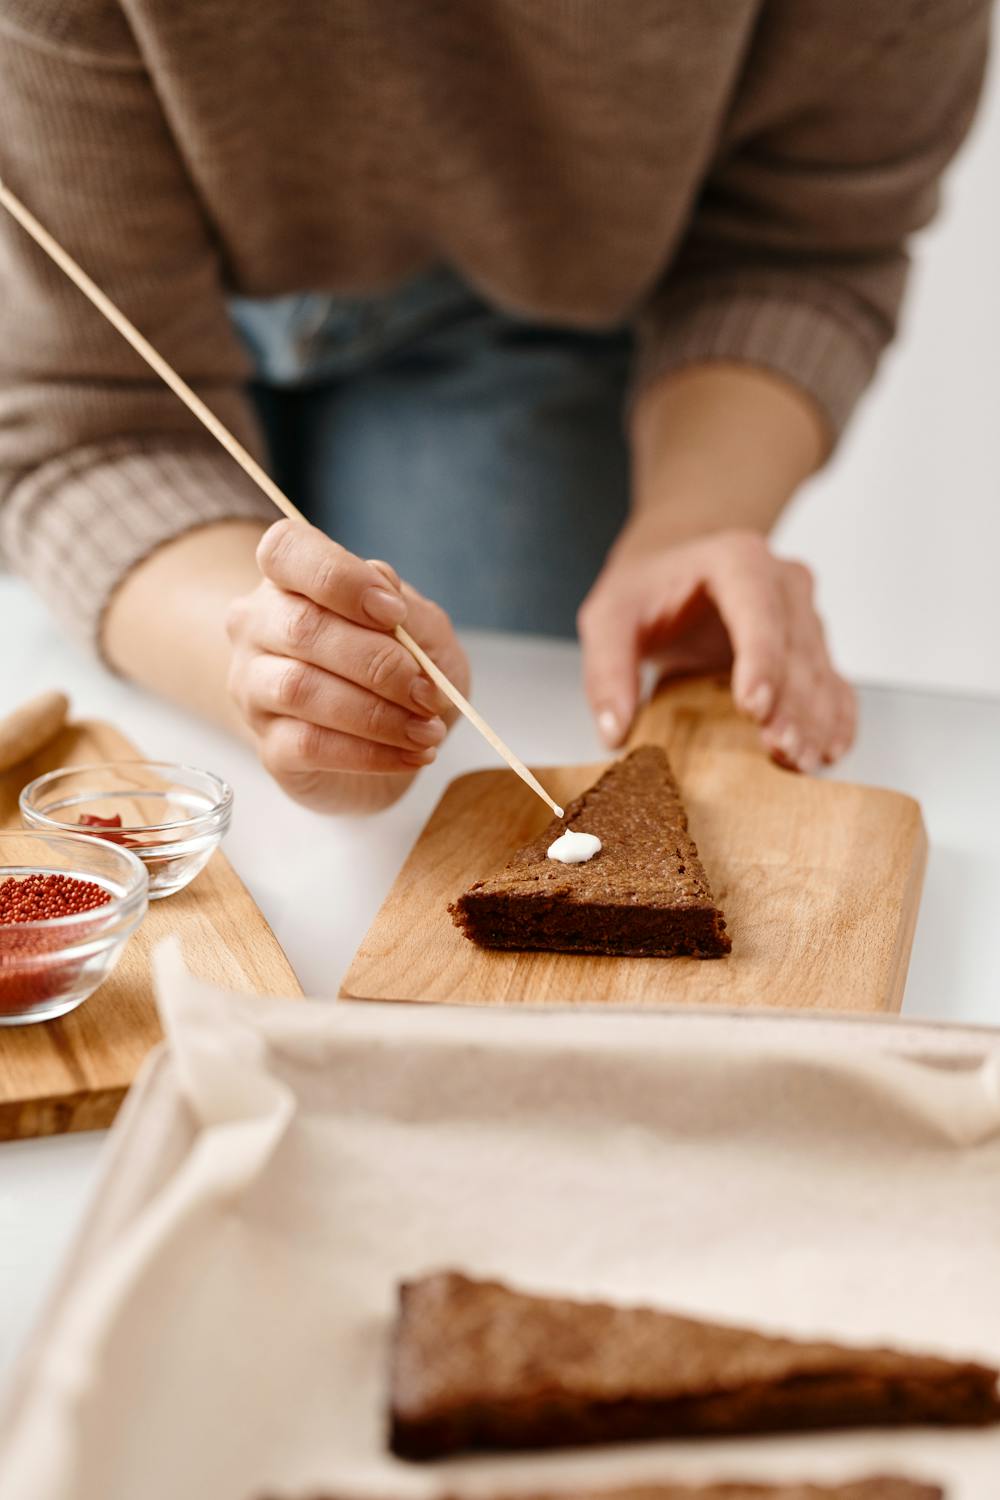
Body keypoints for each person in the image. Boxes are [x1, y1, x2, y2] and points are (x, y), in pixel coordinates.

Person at [0, 3, 989, 814]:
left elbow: (799, 242)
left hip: (545, 309)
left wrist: (690, 521)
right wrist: (259, 680)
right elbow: (93, 413)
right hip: (124, 315)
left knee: (502, 736)